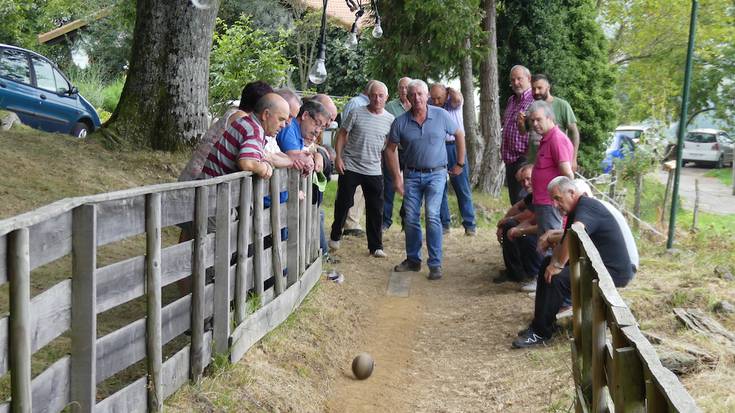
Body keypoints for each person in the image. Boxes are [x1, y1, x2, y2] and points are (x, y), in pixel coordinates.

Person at [512, 176, 637, 349]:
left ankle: (541, 333)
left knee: (557, 278)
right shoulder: (575, 210)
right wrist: (553, 262)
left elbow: (575, 233)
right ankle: (541, 324)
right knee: (546, 265)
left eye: (557, 199)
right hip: (597, 266)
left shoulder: (587, 206)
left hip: (613, 272)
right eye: (553, 200)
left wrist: (558, 265)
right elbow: (565, 240)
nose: (555, 205)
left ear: (571, 193)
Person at [385, 79, 465, 280]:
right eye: (412, 95)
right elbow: (389, 149)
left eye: (420, 94)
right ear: (407, 98)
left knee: (431, 215)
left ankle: (435, 263)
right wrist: (397, 178)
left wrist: (460, 163)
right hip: (411, 174)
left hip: (437, 173)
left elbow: (459, 133)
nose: (417, 98)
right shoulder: (400, 122)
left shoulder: (441, 115)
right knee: (410, 217)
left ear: (427, 95)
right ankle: (413, 260)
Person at [329, 81, 394, 258]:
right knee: (344, 203)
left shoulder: (390, 119)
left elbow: (389, 144)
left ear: (386, 98)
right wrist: (338, 157)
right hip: (351, 165)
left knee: (375, 208)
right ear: (368, 96)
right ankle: (335, 235)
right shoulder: (357, 113)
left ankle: (376, 246)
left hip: (373, 169)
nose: (377, 99)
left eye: (381, 96)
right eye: (374, 95)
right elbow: (342, 134)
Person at [521, 100, 574, 293]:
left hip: (552, 204)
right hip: (543, 202)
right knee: (546, 242)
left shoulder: (557, 139)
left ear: (550, 118)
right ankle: (544, 282)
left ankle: (551, 286)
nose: (534, 124)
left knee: (553, 243)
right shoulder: (545, 139)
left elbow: (567, 174)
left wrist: (564, 201)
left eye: (538, 120)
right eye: (532, 121)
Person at [202, 93, 290, 180]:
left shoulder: (244, 122)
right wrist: (264, 168)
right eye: (281, 119)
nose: (283, 125)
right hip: (212, 191)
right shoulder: (255, 130)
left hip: (208, 186)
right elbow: (247, 162)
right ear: (265, 114)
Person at [430, 83, 477, 236]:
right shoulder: (431, 104)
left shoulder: (453, 103)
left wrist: (450, 91)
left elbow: (457, 98)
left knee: (462, 187)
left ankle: (470, 225)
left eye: (439, 98)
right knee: (439, 187)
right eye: (434, 97)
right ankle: (444, 225)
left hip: (455, 147)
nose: (436, 101)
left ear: (446, 95)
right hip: (437, 147)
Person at [493, 163, 542, 284]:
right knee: (510, 227)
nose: (525, 184)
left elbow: (529, 216)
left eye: (528, 179)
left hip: (545, 234)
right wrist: (503, 222)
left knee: (516, 231)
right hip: (537, 229)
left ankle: (529, 274)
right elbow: (518, 206)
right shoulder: (532, 195)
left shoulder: (542, 192)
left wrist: (507, 222)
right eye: (521, 181)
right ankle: (515, 273)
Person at [340, 81, 377, 237]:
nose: (378, 98)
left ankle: (353, 221)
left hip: (366, 157)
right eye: (375, 94)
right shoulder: (356, 103)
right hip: (353, 155)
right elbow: (345, 130)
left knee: (361, 191)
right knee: (352, 190)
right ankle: (349, 223)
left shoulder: (370, 107)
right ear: (369, 92)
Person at [527, 74, 580, 170]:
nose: (536, 92)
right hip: (535, 161)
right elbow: (527, 132)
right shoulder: (532, 107)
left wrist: (573, 159)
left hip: (557, 161)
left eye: (540, 88)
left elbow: (574, 132)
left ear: (548, 87)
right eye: (533, 89)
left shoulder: (562, 105)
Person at [502, 65, 535, 205]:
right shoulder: (511, 100)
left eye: (519, 79)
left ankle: (521, 227)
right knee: (515, 202)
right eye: (513, 80)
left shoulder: (534, 100)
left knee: (522, 202)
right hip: (509, 159)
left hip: (524, 158)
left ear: (529, 78)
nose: (515, 83)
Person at [382, 77, 411, 231]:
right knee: (388, 185)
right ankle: (385, 221)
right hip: (393, 150)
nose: (404, 91)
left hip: (411, 151)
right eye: (401, 88)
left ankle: (407, 220)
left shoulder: (417, 105)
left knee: (411, 184)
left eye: (407, 87)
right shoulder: (390, 106)